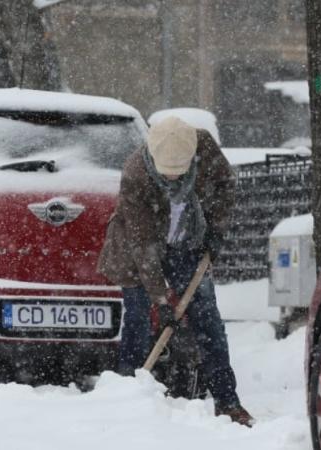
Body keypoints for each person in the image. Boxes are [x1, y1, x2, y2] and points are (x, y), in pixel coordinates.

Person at [97, 116, 255, 427]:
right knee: (139, 317)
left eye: (177, 175)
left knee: (208, 319)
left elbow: (225, 185)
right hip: (136, 251)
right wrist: (161, 299)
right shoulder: (136, 173)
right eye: (165, 175)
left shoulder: (204, 147)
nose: (171, 181)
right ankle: (128, 392)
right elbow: (142, 245)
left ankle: (227, 400)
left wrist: (216, 230)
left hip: (188, 243)